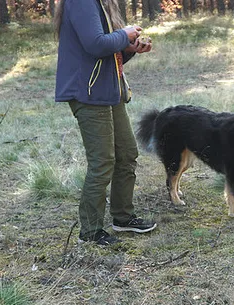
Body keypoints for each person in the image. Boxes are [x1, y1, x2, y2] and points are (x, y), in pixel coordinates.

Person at [54, 0, 156, 246]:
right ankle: (90, 232)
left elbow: (107, 57)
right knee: (102, 161)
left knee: (127, 153)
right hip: (87, 93)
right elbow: (95, 45)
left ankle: (123, 217)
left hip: (108, 91)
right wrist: (124, 34)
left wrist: (130, 48)